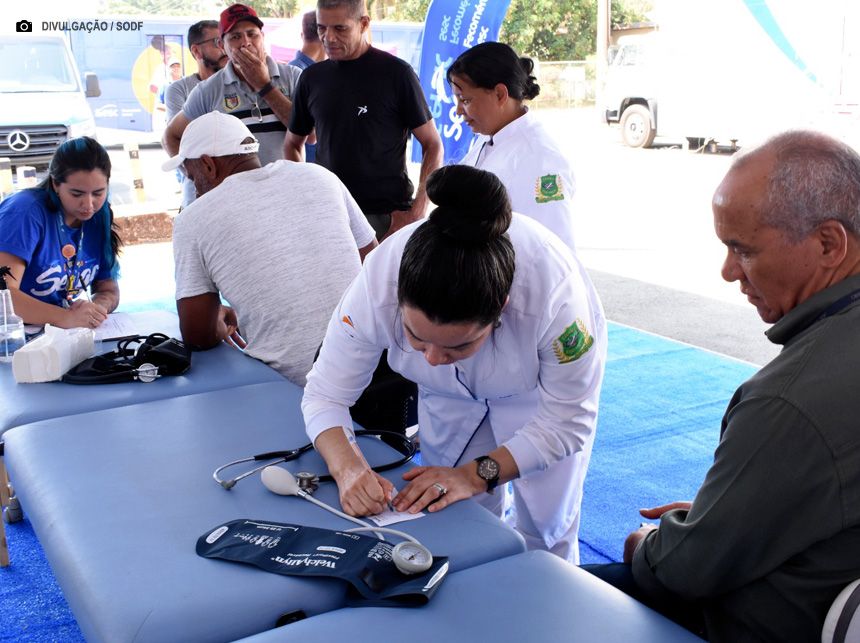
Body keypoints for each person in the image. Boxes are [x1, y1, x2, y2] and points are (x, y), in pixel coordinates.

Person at [585, 130, 860, 641]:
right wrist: (723, 515)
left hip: (757, 620)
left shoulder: (789, 401)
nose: (729, 271)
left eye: (743, 249)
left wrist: (648, 542)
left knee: (547, 601)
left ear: (828, 243)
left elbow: (684, 570)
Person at [302, 164, 606, 562]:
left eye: (455, 347)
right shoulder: (378, 283)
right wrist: (348, 467)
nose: (432, 358)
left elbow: (567, 421)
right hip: (447, 400)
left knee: (546, 529)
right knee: (454, 515)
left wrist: (476, 474)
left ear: (501, 311)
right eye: (416, 337)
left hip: (532, 397)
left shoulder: (556, 298)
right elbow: (325, 394)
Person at [165, 111, 377, 385]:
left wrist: (218, 322)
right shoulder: (321, 176)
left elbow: (197, 336)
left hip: (294, 387)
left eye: (191, 178)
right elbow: (375, 262)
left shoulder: (192, 219)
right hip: (376, 368)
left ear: (208, 165)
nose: (195, 189)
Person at [284, 0, 443, 240]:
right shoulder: (311, 78)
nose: (329, 38)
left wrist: (417, 211)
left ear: (363, 24)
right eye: (321, 28)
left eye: (340, 28)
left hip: (386, 216)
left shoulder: (397, 74)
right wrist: (306, 195)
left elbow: (432, 144)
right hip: (331, 214)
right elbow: (292, 144)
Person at [448, 42, 578, 252]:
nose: (458, 110)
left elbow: (552, 250)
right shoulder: (489, 137)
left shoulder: (541, 160)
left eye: (465, 100)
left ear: (500, 94)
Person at [0, 137, 121, 329]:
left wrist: (95, 309)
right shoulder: (24, 212)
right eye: (76, 194)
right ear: (56, 184)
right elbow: (3, 295)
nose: (88, 205)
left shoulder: (99, 216)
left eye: (98, 193)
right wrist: (64, 317)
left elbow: (108, 289)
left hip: (51, 335)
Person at [163, 4, 302, 167]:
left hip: (287, 188)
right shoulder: (208, 90)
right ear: (222, 45)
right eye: (235, 37)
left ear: (262, 37)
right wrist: (194, 174)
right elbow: (171, 136)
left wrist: (264, 86)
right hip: (238, 192)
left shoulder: (293, 76)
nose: (246, 43)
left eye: (252, 34)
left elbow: (311, 134)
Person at [164, 19, 228, 207]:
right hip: (199, 195)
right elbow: (181, 139)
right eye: (217, 42)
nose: (224, 48)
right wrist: (195, 177)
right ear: (196, 51)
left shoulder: (237, 84)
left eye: (225, 40)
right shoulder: (179, 90)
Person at [288, 11, 324, 163]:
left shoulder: (294, 70)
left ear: (302, 35)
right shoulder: (298, 74)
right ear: (324, 35)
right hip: (307, 165)